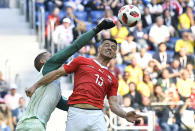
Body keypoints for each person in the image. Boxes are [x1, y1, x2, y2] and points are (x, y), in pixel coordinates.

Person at [17, 19, 116, 131]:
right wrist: (98, 28)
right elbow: (75, 46)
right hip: (33, 124)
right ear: (43, 62)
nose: (55, 57)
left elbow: (71, 106)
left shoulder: (53, 88)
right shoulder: (48, 67)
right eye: (51, 56)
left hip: (30, 125)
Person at [26, 40, 141, 130]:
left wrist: (125, 114)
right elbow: (57, 73)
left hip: (97, 116)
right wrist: (35, 86)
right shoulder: (81, 61)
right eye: (106, 44)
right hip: (76, 113)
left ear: (115, 55)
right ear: (99, 48)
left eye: (113, 47)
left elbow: (114, 105)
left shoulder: (113, 79)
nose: (110, 48)